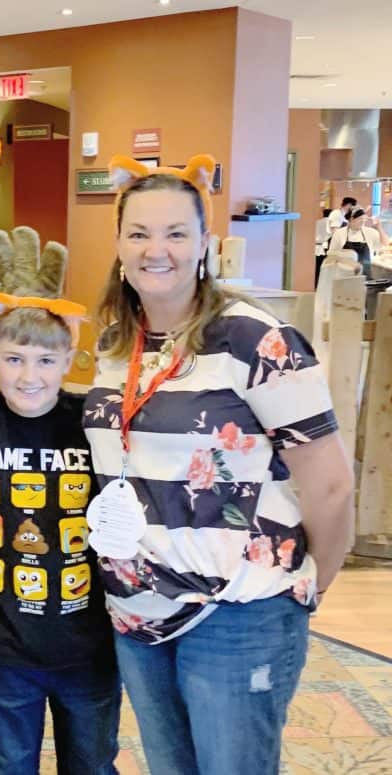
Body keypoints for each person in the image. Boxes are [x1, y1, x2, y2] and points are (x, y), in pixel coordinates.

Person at [82, 154, 355, 775]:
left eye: (177, 233)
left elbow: (332, 487)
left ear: (204, 242)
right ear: (119, 243)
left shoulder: (256, 340)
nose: (158, 250)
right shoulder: (116, 342)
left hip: (239, 612)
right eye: (140, 233)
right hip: (138, 610)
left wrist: (307, 587)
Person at [0, 281, 120, 775]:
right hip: (4, 642)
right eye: (15, 358)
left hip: (90, 640)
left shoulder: (92, 421)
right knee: (4, 765)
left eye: (45, 360)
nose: (29, 375)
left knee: (91, 762)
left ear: (68, 361)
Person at [328, 206, 383, 278]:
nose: (363, 221)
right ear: (351, 219)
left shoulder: (371, 233)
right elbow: (331, 254)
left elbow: (381, 248)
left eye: (364, 218)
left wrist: (379, 227)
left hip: (365, 274)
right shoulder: (339, 233)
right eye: (360, 219)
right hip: (344, 274)